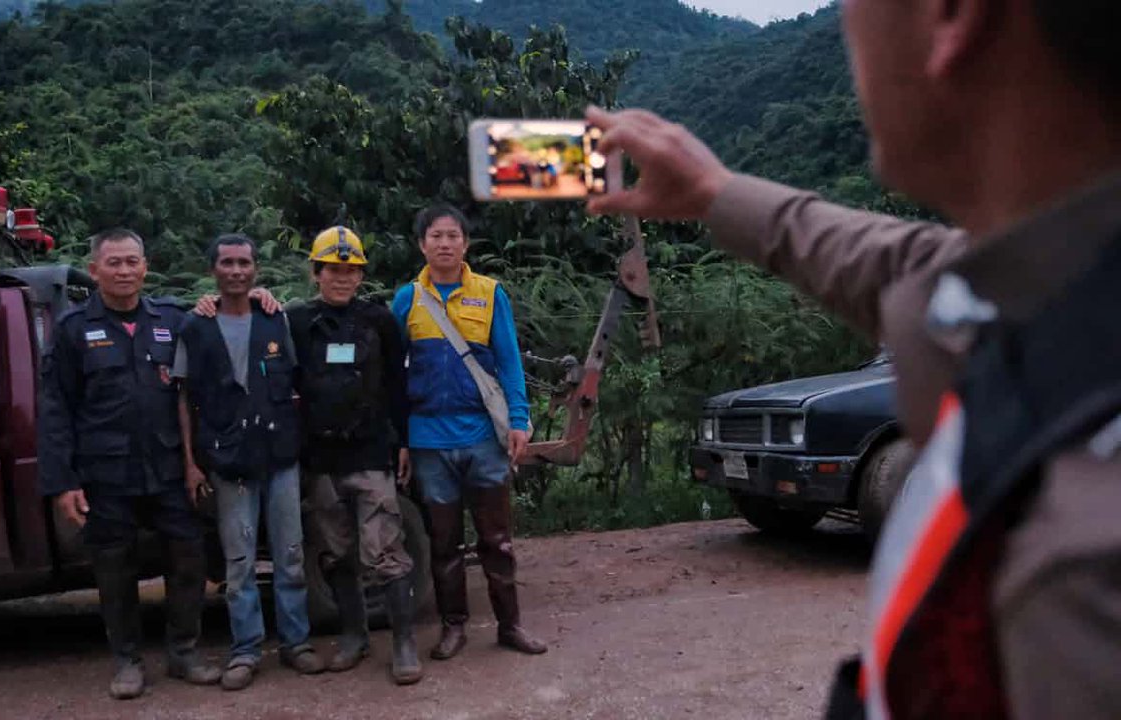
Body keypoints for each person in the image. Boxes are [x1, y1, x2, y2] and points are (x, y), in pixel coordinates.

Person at [585, 0, 1121, 716]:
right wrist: (713, 193)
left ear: (952, 16)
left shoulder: (1082, 569)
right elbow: (892, 264)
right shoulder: (1049, 286)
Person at [38, 228, 221, 700]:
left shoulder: (172, 320)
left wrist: (256, 299)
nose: (124, 271)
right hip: (107, 474)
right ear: (95, 270)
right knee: (114, 570)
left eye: (132, 262)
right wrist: (63, 482)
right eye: (113, 263)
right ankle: (127, 661)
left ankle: (184, 652)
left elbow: (215, 347)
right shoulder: (73, 330)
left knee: (188, 557)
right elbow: (55, 410)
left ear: (145, 267)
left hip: (169, 468)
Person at [392, 204, 547, 660]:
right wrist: (400, 439)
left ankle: (510, 626)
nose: (445, 243)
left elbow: (509, 362)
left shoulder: (490, 293)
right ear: (422, 244)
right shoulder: (407, 299)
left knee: (497, 540)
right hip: (428, 441)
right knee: (444, 543)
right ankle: (453, 627)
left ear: (465, 244)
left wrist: (517, 420)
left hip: (482, 438)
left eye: (453, 236)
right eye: (436, 236)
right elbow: (394, 377)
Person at [173, 234, 323, 691]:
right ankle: (246, 650)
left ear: (255, 269)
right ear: (213, 270)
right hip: (228, 460)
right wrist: (190, 463)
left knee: (290, 555)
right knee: (238, 564)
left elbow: (296, 383)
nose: (236, 271)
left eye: (244, 263)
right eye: (227, 263)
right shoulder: (196, 326)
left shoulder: (274, 319)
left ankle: (297, 643)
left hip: (279, 456)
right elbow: (183, 398)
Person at [289, 225, 423, 685]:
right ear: (316, 273)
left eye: (350, 271)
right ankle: (354, 636)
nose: (342, 278)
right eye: (332, 269)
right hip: (321, 460)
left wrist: (403, 441)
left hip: (371, 454)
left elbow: (398, 386)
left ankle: (403, 643)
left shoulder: (379, 321)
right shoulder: (297, 322)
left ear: (361, 275)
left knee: (385, 549)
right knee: (334, 552)